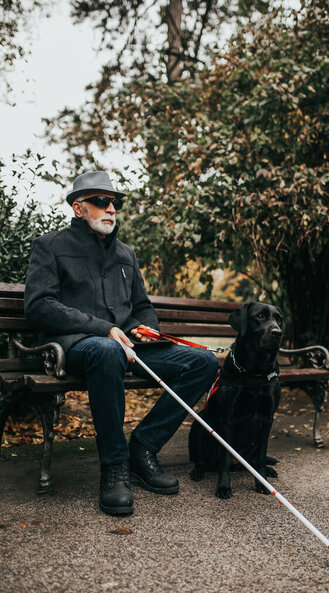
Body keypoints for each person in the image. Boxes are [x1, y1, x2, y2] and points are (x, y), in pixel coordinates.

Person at [24, 171, 219, 516]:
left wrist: (147, 329)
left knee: (202, 361)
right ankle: (114, 466)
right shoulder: (50, 246)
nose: (111, 208)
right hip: (77, 346)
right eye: (102, 201)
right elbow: (40, 306)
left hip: (127, 346)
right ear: (78, 208)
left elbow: (142, 306)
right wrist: (103, 328)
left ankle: (143, 448)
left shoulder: (126, 254)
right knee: (106, 349)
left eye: (115, 202)